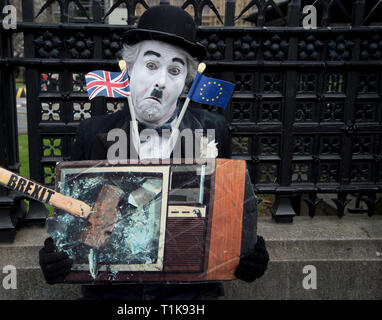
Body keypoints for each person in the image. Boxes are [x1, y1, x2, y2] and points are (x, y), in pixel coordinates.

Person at [39, 4, 269, 300]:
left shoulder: (213, 129)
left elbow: (223, 210)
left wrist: (245, 252)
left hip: (188, 295)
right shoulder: (91, 134)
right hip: (114, 294)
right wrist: (58, 253)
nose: (161, 81)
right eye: (151, 65)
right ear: (130, 68)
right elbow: (74, 217)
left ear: (186, 81)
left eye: (174, 70)